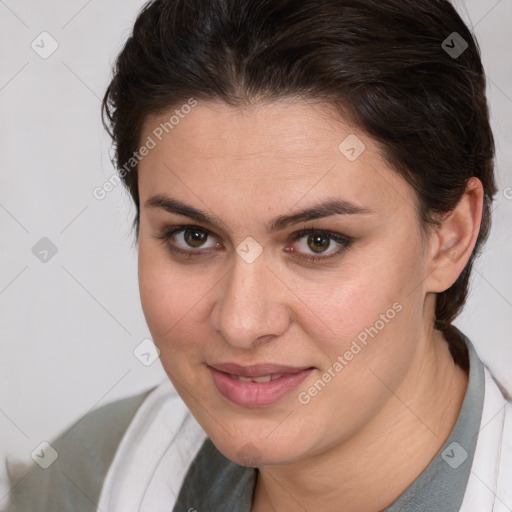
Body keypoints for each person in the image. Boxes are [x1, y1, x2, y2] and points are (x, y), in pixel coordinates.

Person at [5, 0, 511, 511]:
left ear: (449, 236)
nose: (241, 324)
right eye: (193, 236)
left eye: (318, 241)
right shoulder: (87, 482)